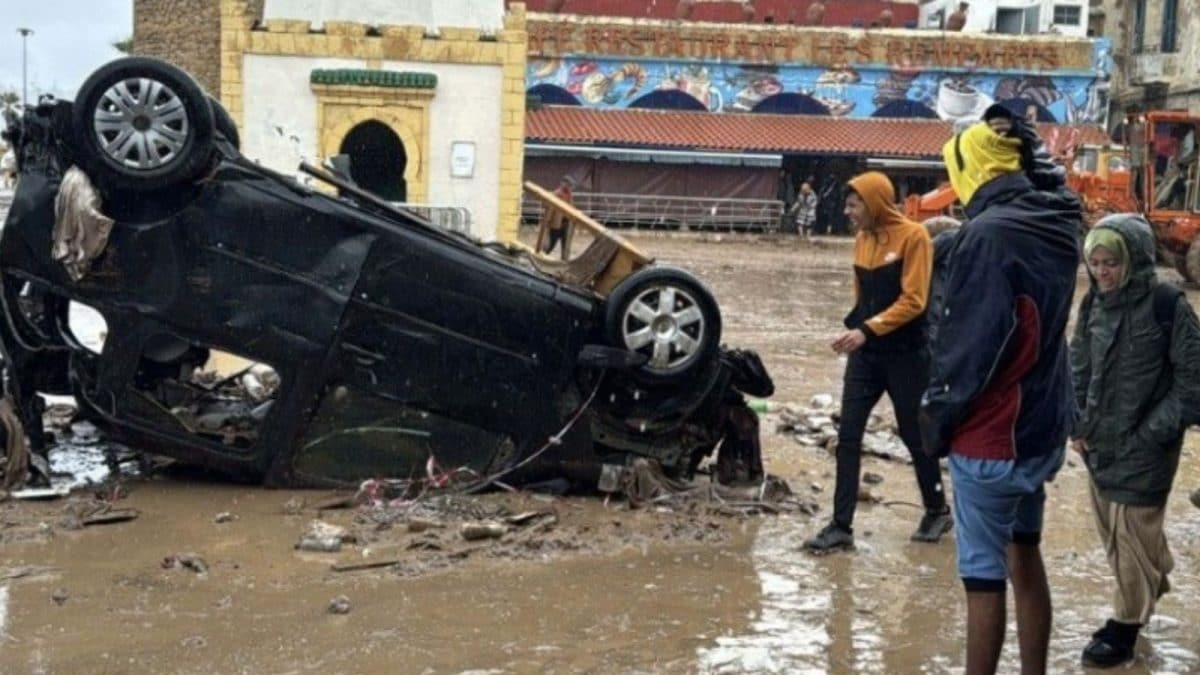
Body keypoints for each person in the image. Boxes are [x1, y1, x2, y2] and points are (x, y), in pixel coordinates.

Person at [920, 108, 1081, 675]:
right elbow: (1055, 184)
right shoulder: (1060, 220)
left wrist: (934, 425)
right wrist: (1030, 140)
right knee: (1025, 553)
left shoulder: (984, 239)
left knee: (983, 580)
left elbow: (968, 353)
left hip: (992, 439)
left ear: (972, 173)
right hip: (1043, 429)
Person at [1070, 215, 1200, 668]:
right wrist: (1077, 426)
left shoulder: (1167, 305)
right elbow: (1079, 364)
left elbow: (1193, 384)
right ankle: (1153, 581)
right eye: (1096, 263)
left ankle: (1124, 628)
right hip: (1098, 445)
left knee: (1131, 534)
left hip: (1148, 449)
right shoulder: (1093, 306)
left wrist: (1151, 434)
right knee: (1113, 533)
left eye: (1111, 263)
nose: (1103, 273)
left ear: (1134, 260)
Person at [802, 171, 950, 554]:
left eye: (854, 205)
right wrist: (855, 329)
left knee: (913, 434)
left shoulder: (914, 237)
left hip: (906, 355)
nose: (848, 211)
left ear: (875, 203)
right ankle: (840, 525)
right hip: (866, 356)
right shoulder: (862, 239)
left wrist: (867, 329)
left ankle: (936, 508)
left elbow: (915, 300)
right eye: (848, 204)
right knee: (848, 436)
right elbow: (862, 295)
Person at [541, 177, 574, 256]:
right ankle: (543, 256)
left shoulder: (569, 195)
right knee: (551, 244)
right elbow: (545, 204)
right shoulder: (556, 193)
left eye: (570, 185)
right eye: (568, 184)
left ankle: (564, 260)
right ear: (562, 183)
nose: (569, 186)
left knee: (565, 246)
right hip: (556, 224)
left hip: (566, 223)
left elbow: (571, 206)